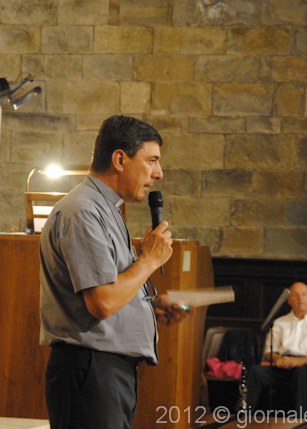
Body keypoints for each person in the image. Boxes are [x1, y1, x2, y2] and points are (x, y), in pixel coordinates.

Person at [39, 115, 193, 429]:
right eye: (151, 160)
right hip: (91, 370)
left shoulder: (105, 209)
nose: (159, 173)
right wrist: (149, 260)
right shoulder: (83, 211)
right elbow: (102, 302)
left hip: (105, 371)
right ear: (120, 159)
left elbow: (109, 289)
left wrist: (146, 306)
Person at [246, 282, 307, 412]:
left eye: (304, 294)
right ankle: (244, 414)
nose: (300, 299)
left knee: (301, 373)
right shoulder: (280, 322)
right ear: (289, 300)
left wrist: (299, 361)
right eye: (295, 295)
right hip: (282, 363)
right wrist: (278, 359)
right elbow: (269, 351)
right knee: (256, 371)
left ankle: (301, 418)